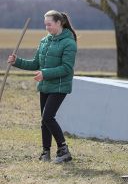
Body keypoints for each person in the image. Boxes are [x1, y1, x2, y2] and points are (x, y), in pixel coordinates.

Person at [7, 10, 77, 163]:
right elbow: (35, 64)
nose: (47, 28)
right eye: (45, 25)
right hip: (45, 85)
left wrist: (44, 73)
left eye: (49, 24)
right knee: (44, 120)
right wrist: (17, 61)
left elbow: (66, 68)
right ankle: (46, 153)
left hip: (59, 86)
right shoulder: (44, 41)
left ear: (59, 23)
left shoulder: (69, 43)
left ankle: (64, 151)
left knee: (48, 117)